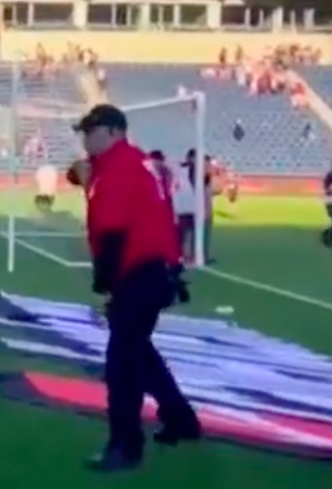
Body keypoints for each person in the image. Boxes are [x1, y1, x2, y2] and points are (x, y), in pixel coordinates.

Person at [72, 105, 200, 472]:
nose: (85, 139)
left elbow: (113, 231)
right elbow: (78, 175)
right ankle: (180, 419)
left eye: (90, 131)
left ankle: (126, 446)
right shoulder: (133, 162)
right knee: (138, 351)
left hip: (138, 271)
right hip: (156, 268)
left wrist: (107, 283)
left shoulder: (120, 167)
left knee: (122, 364)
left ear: (112, 131)